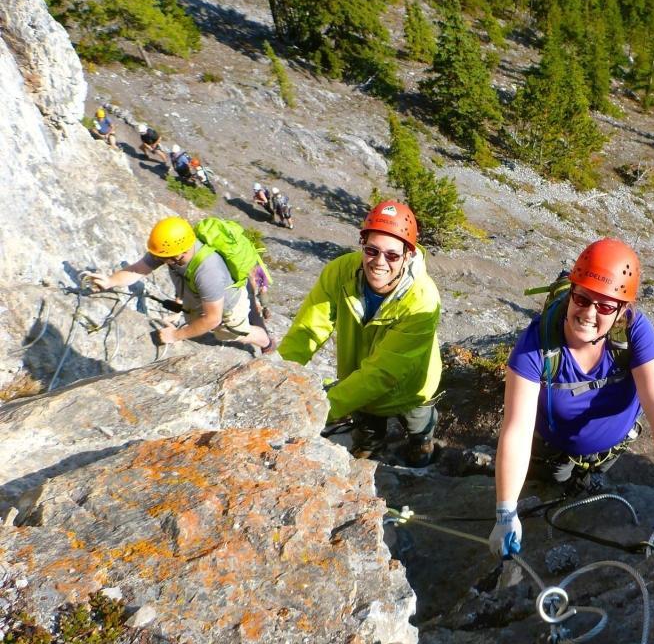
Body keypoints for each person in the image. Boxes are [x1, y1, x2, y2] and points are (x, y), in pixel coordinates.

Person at [489, 238, 654, 558]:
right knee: (550, 485)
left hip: (612, 446)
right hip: (554, 447)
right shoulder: (537, 344)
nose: (589, 313)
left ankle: (590, 478)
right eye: (582, 298)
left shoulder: (634, 333)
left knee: (590, 482)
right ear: (571, 292)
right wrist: (506, 512)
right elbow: (517, 429)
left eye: (604, 306)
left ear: (620, 311)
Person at [278, 200, 442, 467]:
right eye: (372, 250)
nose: (379, 262)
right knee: (367, 435)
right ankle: (366, 456)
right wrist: (278, 375)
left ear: (408, 256)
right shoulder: (340, 272)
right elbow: (308, 330)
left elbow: (383, 373)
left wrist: (321, 409)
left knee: (419, 429)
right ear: (362, 245)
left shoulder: (422, 299)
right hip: (358, 384)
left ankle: (421, 453)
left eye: (392, 255)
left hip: (411, 388)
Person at [84, 216, 274, 354]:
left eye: (162, 257)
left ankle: (266, 342)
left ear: (179, 254)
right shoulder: (170, 251)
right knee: (196, 321)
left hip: (227, 307)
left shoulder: (209, 271)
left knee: (232, 333)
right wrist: (110, 281)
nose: (157, 259)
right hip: (199, 295)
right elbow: (138, 269)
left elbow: (212, 319)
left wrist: (175, 335)